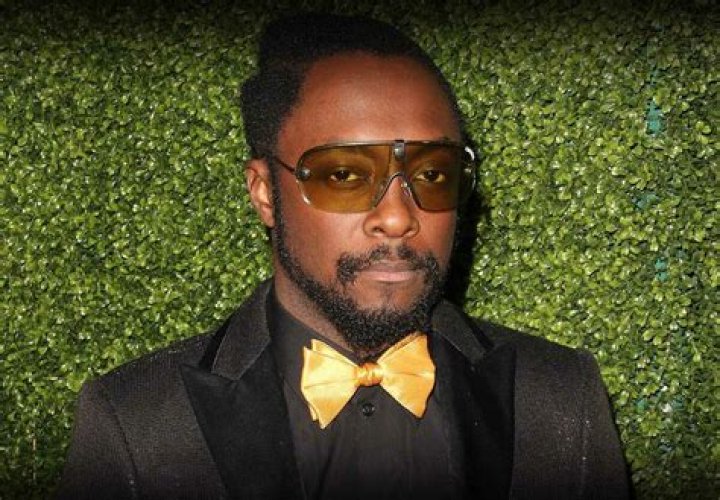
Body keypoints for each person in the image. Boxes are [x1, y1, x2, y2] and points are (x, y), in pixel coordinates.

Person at [56, 13, 629, 500]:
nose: (398, 217)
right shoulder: (139, 423)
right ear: (264, 193)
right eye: (344, 175)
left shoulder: (560, 399)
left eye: (433, 174)